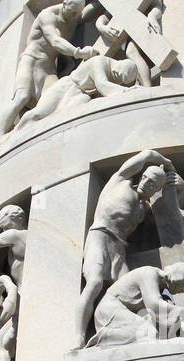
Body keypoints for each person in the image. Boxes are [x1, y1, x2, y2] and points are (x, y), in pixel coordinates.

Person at [74, 148, 178, 348]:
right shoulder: (120, 180)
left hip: (120, 249)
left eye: (153, 184)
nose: (147, 183)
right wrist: (167, 162)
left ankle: (129, 334)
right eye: (146, 178)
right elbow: (146, 154)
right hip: (100, 236)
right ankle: (79, 336)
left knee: (130, 295)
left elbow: (175, 214)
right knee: (94, 282)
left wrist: (175, 186)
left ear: (156, 189)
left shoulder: (143, 208)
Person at [0, 0, 97, 138]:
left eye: (77, 13)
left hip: (48, 68)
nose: (75, 16)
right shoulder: (47, 15)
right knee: (22, 96)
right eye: (73, 11)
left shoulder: (73, 17)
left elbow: (91, 11)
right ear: (64, 4)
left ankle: (33, 130)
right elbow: (55, 40)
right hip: (31, 61)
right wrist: (79, 52)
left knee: (53, 100)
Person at [89, 262, 184, 346]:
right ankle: (105, 336)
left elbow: (164, 318)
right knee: (150, 333)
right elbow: (155, 306)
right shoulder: (149, 274)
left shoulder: (161, 287)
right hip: (109, 310)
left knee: (160, 333)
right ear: (177, 280)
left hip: (122, 312)